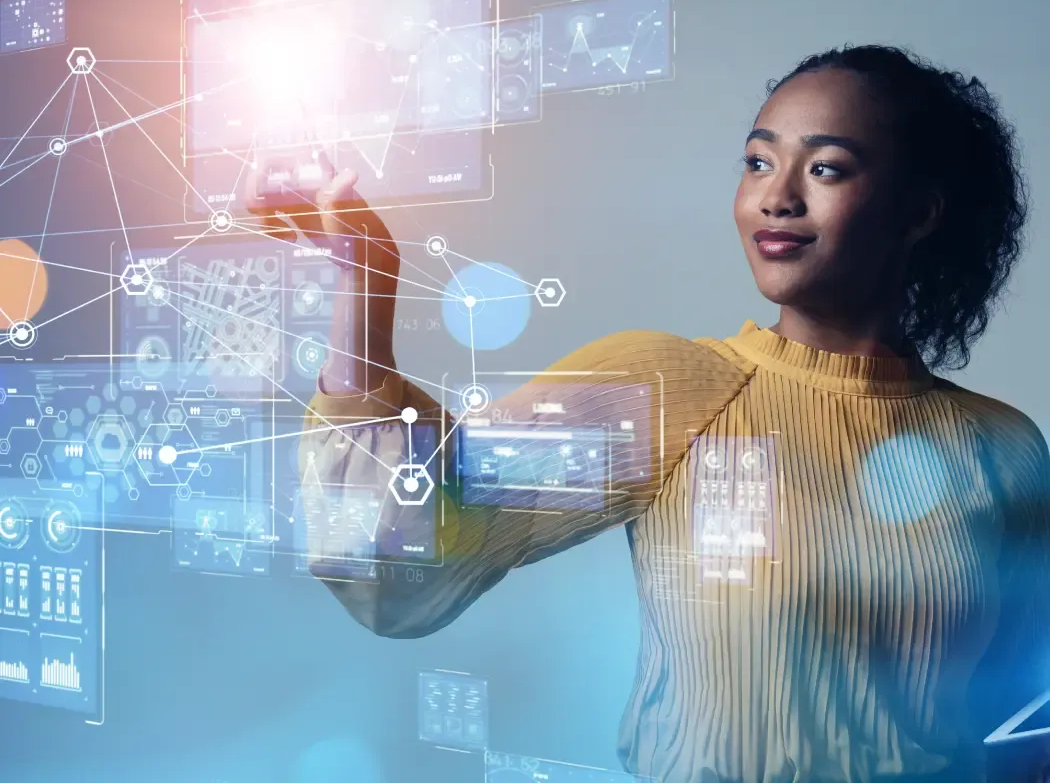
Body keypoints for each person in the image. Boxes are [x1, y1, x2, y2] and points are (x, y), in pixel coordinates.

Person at [249, 44, 1049, 782]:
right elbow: (397, 562)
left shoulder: (1005, 449)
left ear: (920, 214)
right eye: (758, 161)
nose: (776, 197)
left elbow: (1017, 722)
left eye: (828, 169)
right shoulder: (669, 390)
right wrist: (366, 276)